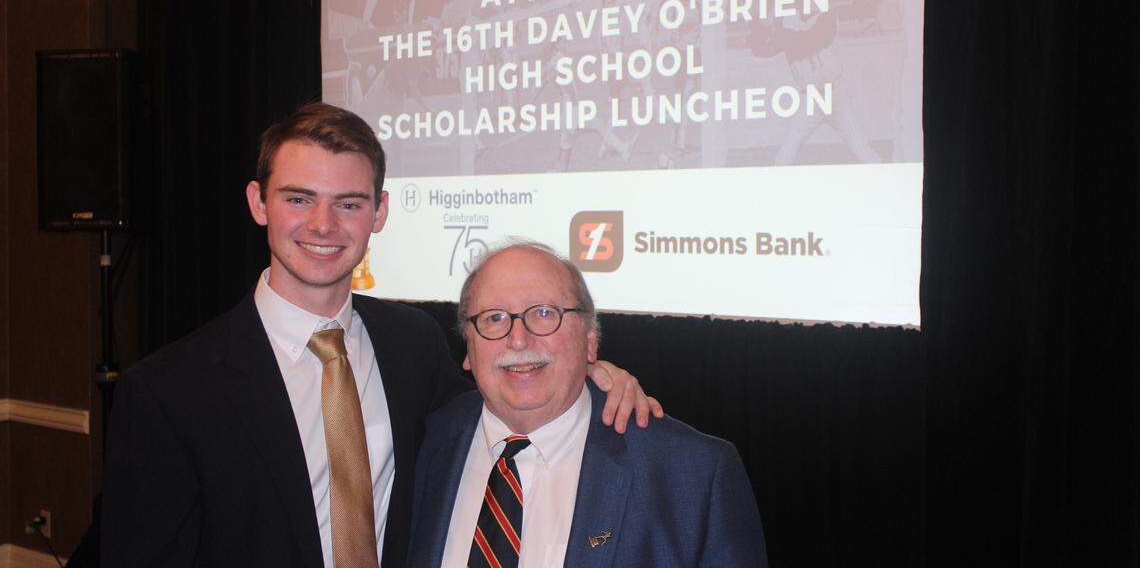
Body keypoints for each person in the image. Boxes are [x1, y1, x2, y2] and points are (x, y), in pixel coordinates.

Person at [101, 103, 661, 568]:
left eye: (349, 203)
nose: (323, 225)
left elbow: (499, 413)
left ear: (379, 212)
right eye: (299, 199)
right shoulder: (167, 392)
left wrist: (590, 375)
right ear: (257, 202)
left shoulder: (411, 344)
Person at [406, 242, 768, 568]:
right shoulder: (423, 442)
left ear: (591, 341)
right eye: (494, 318)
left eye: (545, 314)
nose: (518, 339)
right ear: (467, 347)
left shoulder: (693, 475)